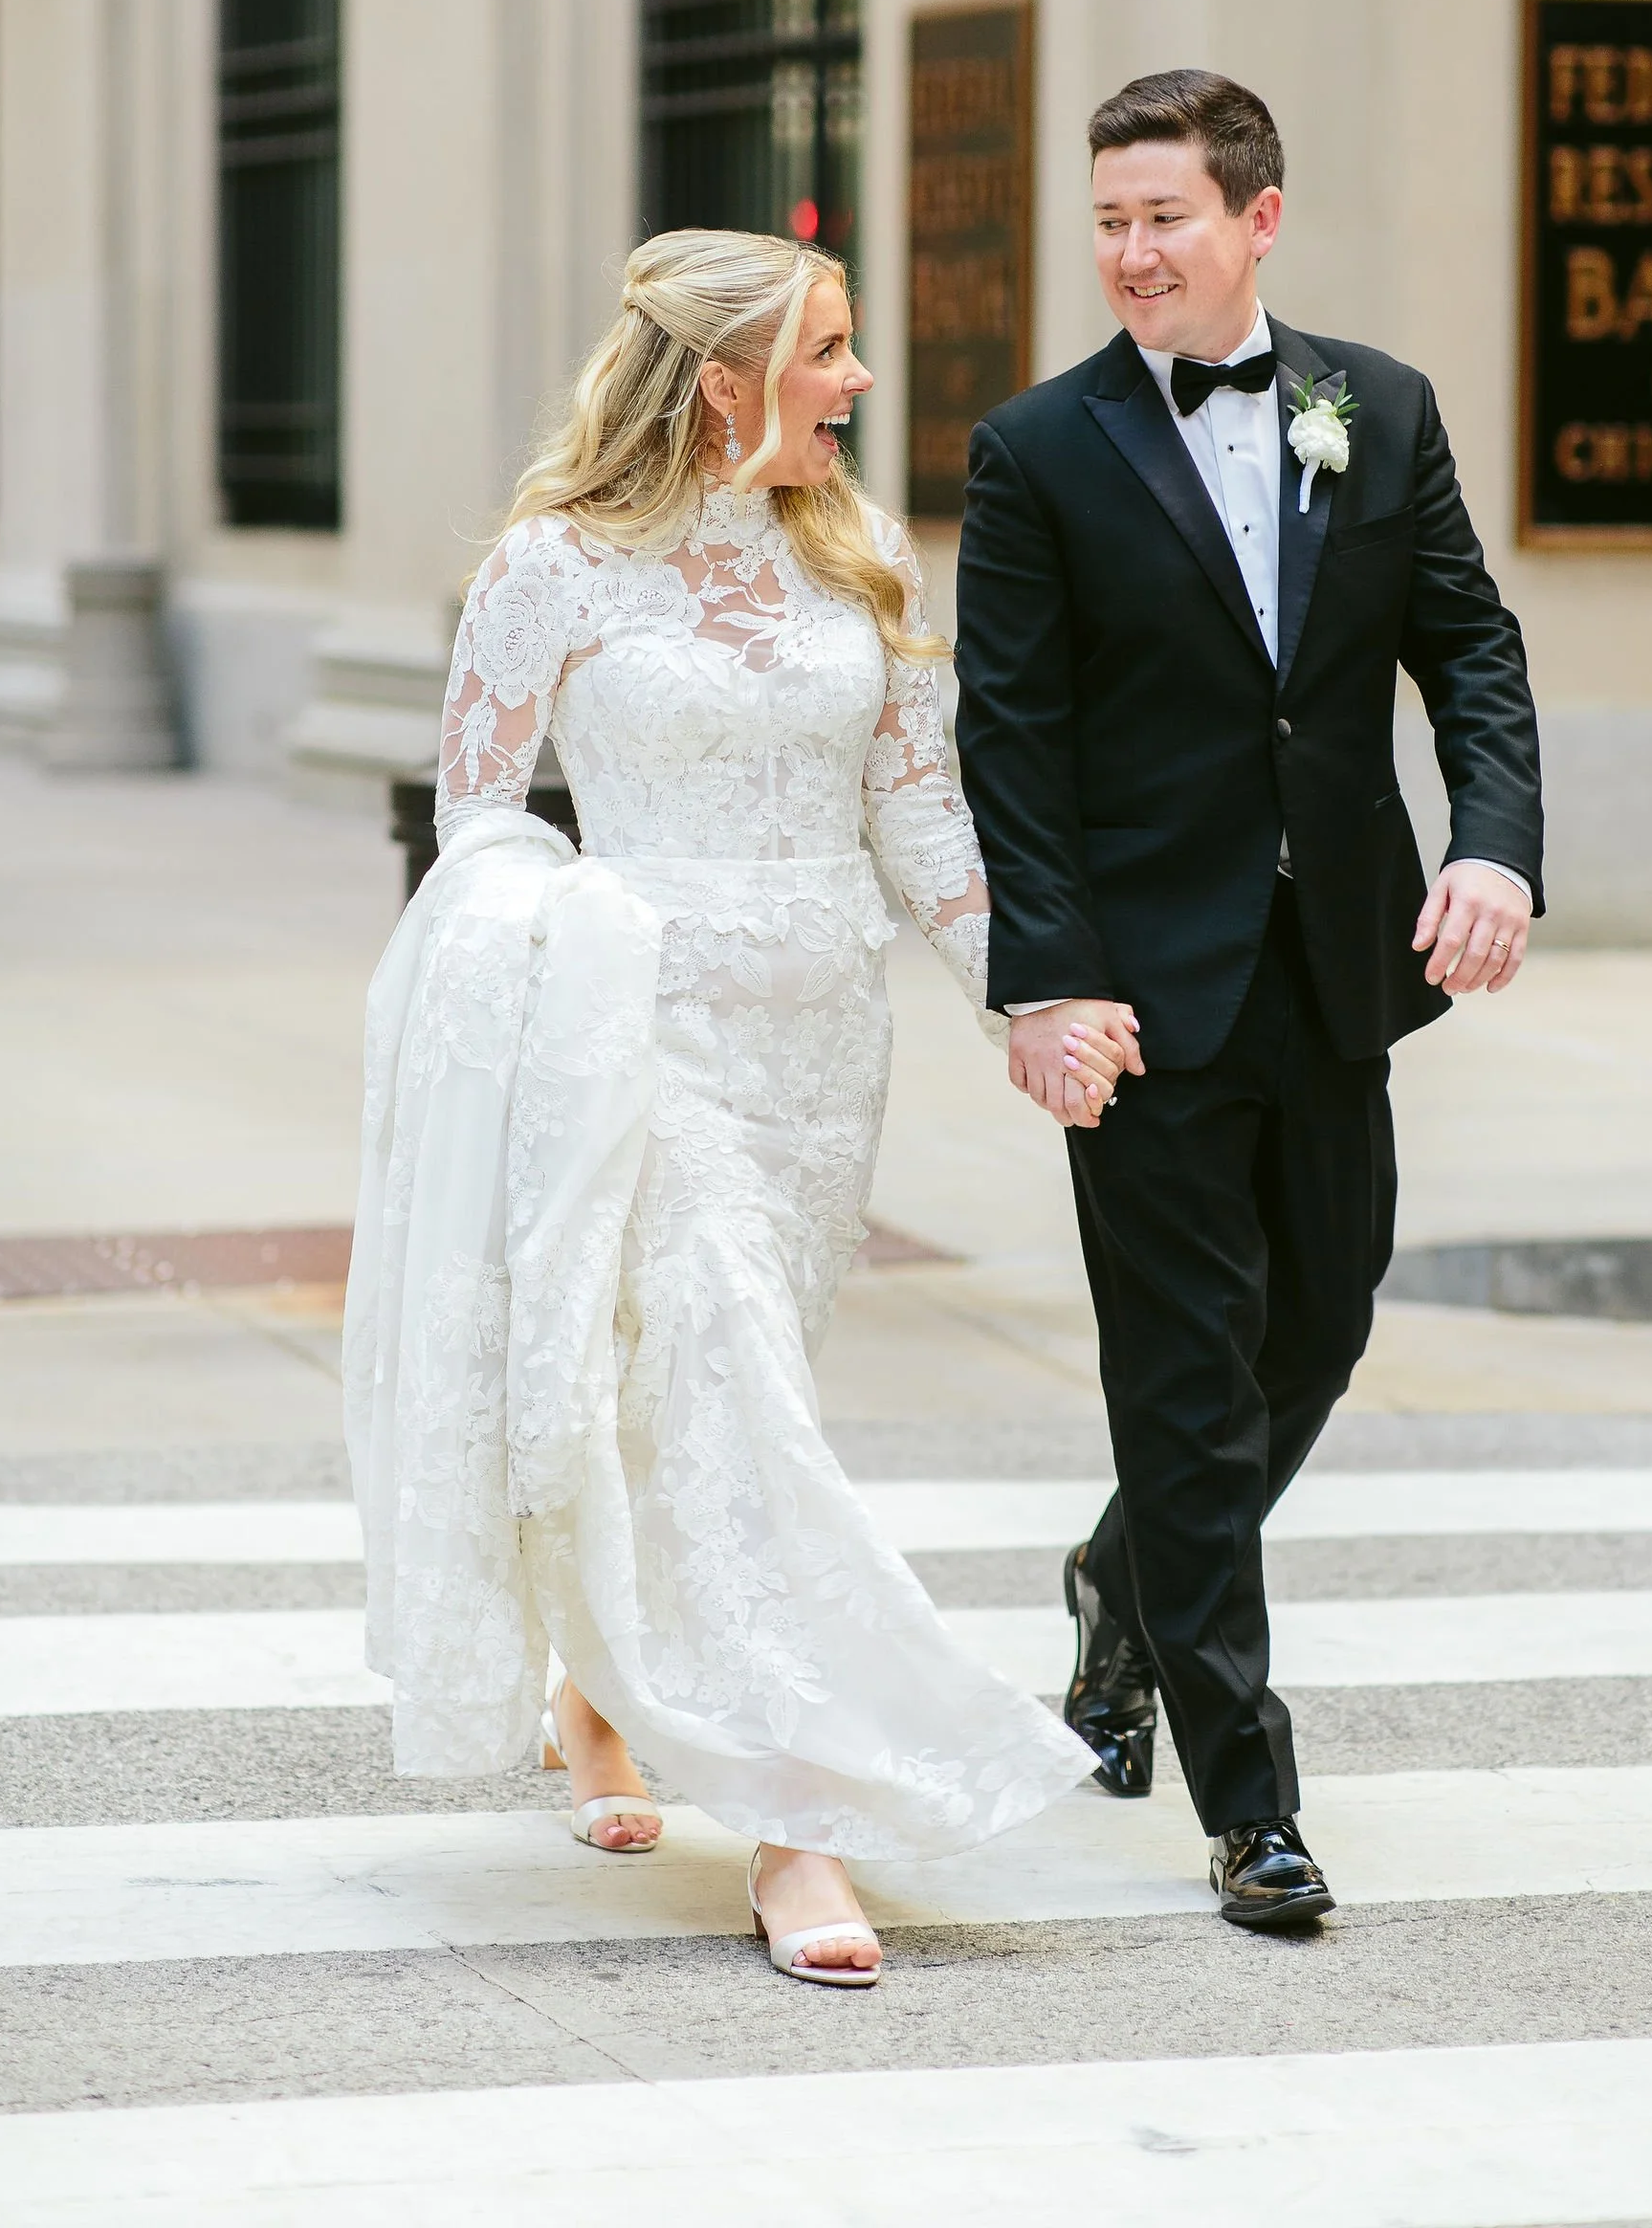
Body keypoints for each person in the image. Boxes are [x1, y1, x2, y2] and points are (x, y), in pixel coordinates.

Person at [344, 230, 1113, 1989]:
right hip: (645, 1031)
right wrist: (558, 950)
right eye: (829, 350)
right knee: (723, 1372)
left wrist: (1024, 995)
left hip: (821, 1046)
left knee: (728, 1398)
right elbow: (478, 818)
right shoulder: (551, 565)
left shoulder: (864, 554)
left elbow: (920, 816)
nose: (859, 382)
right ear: (723, 384)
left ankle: (602, 1696)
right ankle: (799, 1820)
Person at [953, 69, 1545, 1932]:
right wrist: (1047, 984)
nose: (1132, 253)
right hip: (1140, 993)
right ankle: (1250, 1805)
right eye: (1111, 220)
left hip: (1338, 966)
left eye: (1166, 217)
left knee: (1323, 1325)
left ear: (1257, 218)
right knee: (1189, 1381)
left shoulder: (1378, 406)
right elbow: (1011, 742)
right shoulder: (1035, 450)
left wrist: (1496, 848)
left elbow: (1469, 646)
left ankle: (1119, 1579)